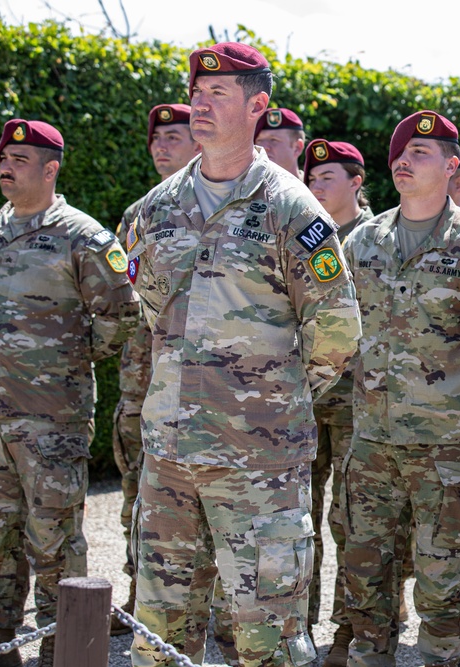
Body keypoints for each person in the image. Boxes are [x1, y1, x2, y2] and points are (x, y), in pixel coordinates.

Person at [126, 42, 361, 667]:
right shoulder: (154, 210)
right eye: (197, 94)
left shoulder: (292, 210)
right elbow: (151, 306)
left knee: (269, 637)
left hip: (260, 462)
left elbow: (335, 327)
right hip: (170, 456)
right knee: (159, 633)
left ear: (258, 106)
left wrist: (271, 397)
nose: (200, 106)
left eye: (218, 95)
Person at [342, 110, 460, 667]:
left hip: (445, 447)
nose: (404, 160)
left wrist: (455, 393)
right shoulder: (363, 242)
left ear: (452, 167)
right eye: (400, 152)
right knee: (365, 573)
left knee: (443, 578)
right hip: (372, 441)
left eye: (421, 153)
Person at [0, 118, 139, 667]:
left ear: (50, 168)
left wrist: (67, 360)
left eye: (20, 160)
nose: (7, 168)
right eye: (3, 160)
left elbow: (120, 315)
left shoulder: (83, 237)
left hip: (52, 418)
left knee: (55, 538)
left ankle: (58, 648)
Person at [110, 102, 201, 636]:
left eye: (175, 135)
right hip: (142, 382)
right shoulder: (138, 216)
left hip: (201, 392)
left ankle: (200, 604)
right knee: (136, 495)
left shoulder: (222, 208)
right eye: (157, 137)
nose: (162, 145)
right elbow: (125, 301)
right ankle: (140, 592)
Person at [301, 137, 390, 667]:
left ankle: (349, 631)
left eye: (326, 177)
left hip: (363, 401)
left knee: (357, 522)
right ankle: (300, 625)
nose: (315, 186)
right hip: (308, 398)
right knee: (299, 517)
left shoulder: (380, 239)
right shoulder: (301, 235)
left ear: (356, 182)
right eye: (311, 179)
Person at [255, 106, 306, 179]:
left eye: (273, 140)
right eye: (259, 140)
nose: (263, 147)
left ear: (297, 148)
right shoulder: (245, 189)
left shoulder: (316, 189)